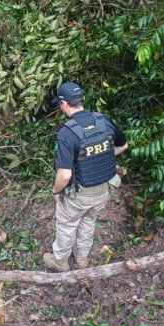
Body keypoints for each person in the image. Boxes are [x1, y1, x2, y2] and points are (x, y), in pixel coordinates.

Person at [43, 82, 128, 272]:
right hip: (105, 188)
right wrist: (99, 156)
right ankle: (82, 259)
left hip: (81, 192)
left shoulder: (67, 133)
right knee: (89, 220)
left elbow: (65, 174)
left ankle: (61, 261)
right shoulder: (103, 120)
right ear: (80, 100)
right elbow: (123, 146)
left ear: (64, 104)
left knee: (67, 224)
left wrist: (56, 191)